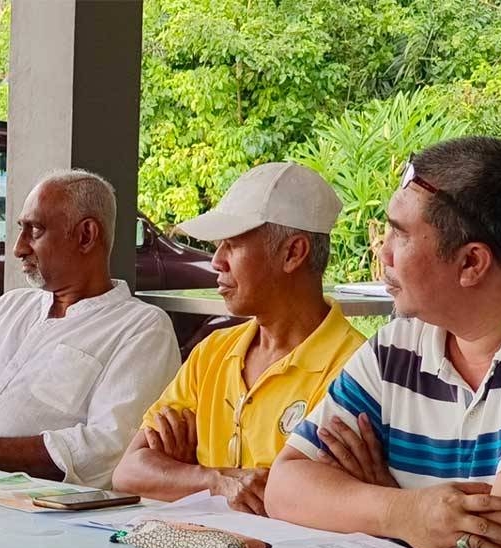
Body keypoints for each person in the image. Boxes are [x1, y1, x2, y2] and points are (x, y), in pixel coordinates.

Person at [265, 136, 501, 548]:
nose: (383, 253)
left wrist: (368, 502)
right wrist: (402, 511)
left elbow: (497, 537)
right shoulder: (395, 348)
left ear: (471, 262)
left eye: (400, 236)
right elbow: (285, 486)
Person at [112, 163, 365, 513]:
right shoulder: (212, 353)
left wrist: (181, 473)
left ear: (293, 253)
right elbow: (129, 472)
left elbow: (309, 499)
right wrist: (217, 480)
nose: (216, 261)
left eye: (232, 245)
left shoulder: (354, 368)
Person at [0, 169, 181, 489]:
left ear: (86, 235)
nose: (19, 248)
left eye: (35, 230)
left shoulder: (141, 328)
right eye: (21, 229)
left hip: (36, 514)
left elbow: (110, 448)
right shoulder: (10, 307)